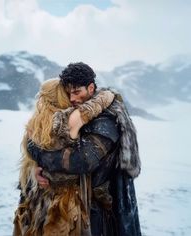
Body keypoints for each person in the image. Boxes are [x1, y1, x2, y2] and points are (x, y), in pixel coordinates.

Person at [27, 62, 142, 236]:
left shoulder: (108, 119)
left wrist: (40, 155)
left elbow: (80, 161)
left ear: (90, 88)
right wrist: (39, 169)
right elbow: (44, 143)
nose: (72, 98)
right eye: (68, 93)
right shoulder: (78, 113)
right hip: (83, 207)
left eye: (76, 92)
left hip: (101, 212)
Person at [13, 78, 115, 236]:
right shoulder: (66, 121)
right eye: (68, 94)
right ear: (61, 97)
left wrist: (36, 170)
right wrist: (107, 94)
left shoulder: (33, 126)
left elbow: (30, 162)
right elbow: (94, 107)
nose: (73, 99)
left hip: (36, 201)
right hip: (63, 203)